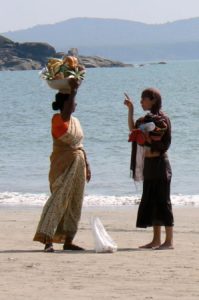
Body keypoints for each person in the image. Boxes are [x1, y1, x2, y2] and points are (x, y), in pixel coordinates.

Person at [33, 88, 91, 252]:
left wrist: (87, 164)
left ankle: (68, 240)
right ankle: (47, 239)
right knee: (58, 199)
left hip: (78, 163)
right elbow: (65, 126)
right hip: (63, 165)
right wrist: (74, 90)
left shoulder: (76, 121)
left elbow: (79, 145)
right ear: (65, 103)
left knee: (75, 201)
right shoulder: (58, 120)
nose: (75, 104)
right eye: (72, 101)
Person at [124, 88, 174, 250]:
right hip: (149, 166)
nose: (141, 102)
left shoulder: (162, 119)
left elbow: (158, 136)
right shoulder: (145, 119)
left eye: (143, 99)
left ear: (153, 100)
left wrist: (146, 135)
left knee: (163, 201)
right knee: (152, 202)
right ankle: (156, 240)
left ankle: (169, 241)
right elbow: (133, 129)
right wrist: (130, 109)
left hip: (160, 164)